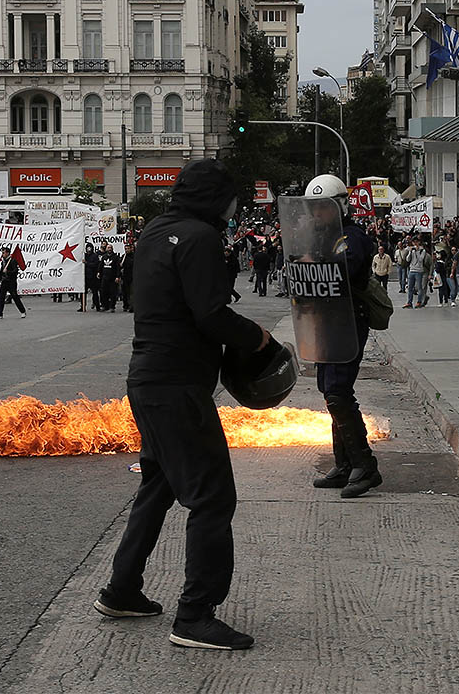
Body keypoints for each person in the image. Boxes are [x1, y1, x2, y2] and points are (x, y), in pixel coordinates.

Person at [94, 158, 279, 651]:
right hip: (177, 388)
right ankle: (195, 615)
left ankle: (122, 590)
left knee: (157, 486)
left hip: (148, 380)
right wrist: (260, 339)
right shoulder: (199, 238)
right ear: (216, 199)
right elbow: (211, 315)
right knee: (213, 497)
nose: (234, 207)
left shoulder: (156, 229)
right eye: (230, 198)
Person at [302, 175, 381, 498]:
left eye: (324, 207)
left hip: (347, 323)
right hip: (326, 323)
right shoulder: (322, 238)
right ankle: (344, 463)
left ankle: (365, 465)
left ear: (339, 206)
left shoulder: (351, 236)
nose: (318, 214)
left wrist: (314, 263)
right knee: (329, 391)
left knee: (338, 391)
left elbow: (343, 270)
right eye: (314, 208)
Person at [0, 246, 26, 319]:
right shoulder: (3, 261)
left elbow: (15, 271)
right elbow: (1, 272)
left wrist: (8, 272)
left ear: (7, 253)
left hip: (11, 282)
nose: (2, 254)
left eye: (3, 253)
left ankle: (22, 311)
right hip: (4, 282)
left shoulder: (13, 261)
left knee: (15, 297)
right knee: (1, 297)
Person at [403, 237, 428, 308]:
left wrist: (417, 252)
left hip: (419, 270)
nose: (415, 243)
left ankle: (419, 302)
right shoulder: (412, 250)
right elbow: (407, 259)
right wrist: (411, 252)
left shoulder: (422, 250)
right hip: (411, 270)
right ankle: (409, 302)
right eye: (414, 242)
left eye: (416, 242)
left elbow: (420, 259)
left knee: (419, 287)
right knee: (410, 287)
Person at [99, 243, 121, 312]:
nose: (109, 249)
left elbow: (118, 268)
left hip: (112, 278)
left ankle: (112, 307)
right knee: (103, 292)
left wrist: (117, 276)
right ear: (106, 249)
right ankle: (105, 306)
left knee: (112, 293)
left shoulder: (115, 257)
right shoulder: (104, 257)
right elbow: (101, 266)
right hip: (104, 277)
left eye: (110, 248)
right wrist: (99, 272)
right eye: (108, 248)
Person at [121, 241, 135, 312]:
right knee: (125, 292)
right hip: (125, 277)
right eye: (125, 249)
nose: (127, 250)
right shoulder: (123, 256)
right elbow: (120, 265)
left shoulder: (134, 256)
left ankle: (131, 306)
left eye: (128, 248)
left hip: (132, 277)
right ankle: (125, 305)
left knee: (131, 292)